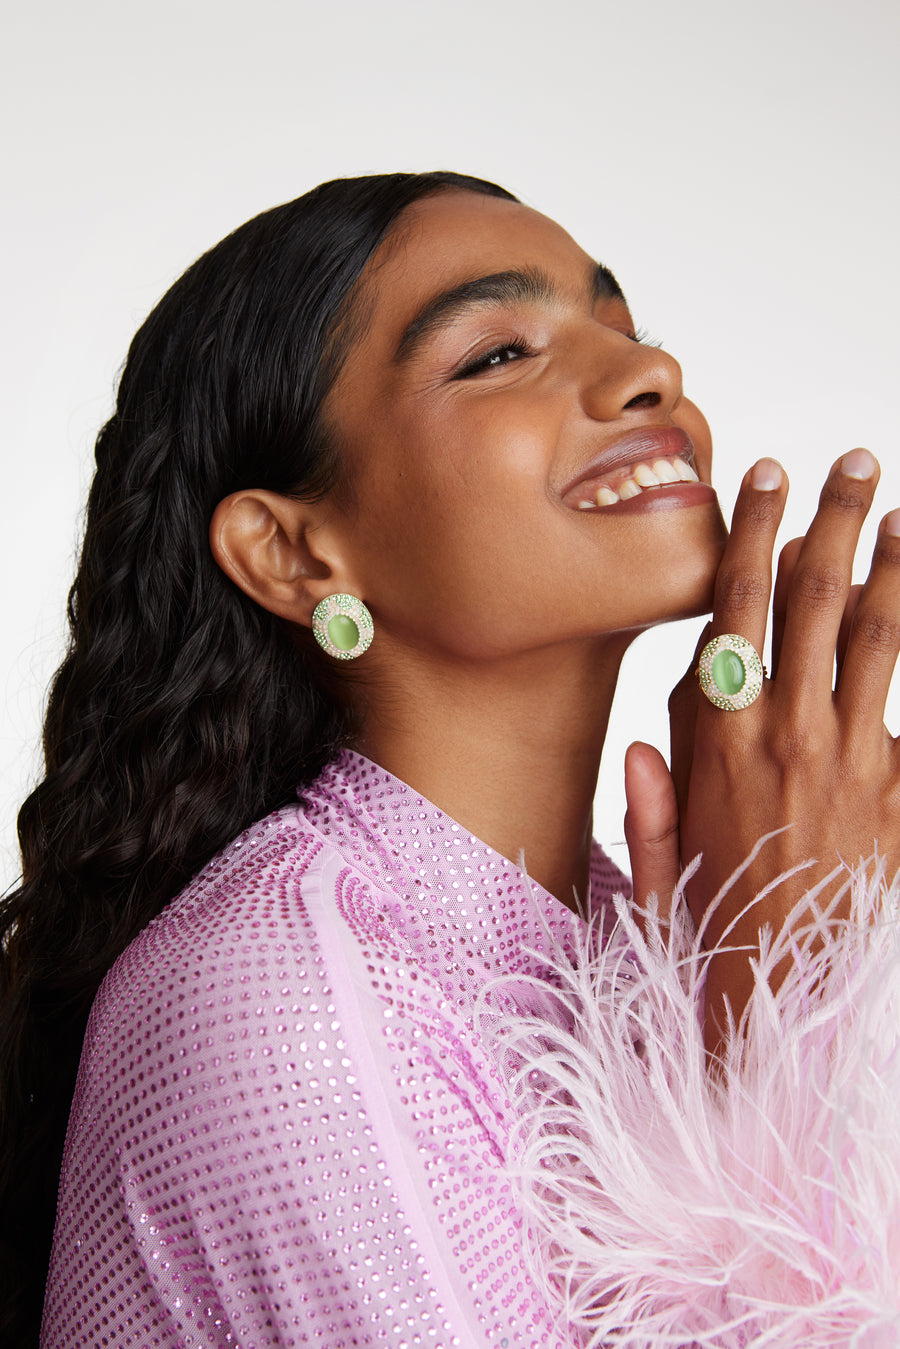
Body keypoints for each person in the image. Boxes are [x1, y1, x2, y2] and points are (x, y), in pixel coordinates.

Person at [2, 171, 899, 1348]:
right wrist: (791, 1038)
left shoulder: (663, 939)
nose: (651, 376)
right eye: (496, 354)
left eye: (626, 330)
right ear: (292, 552)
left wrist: (797, 1004)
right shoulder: (278, 1001)